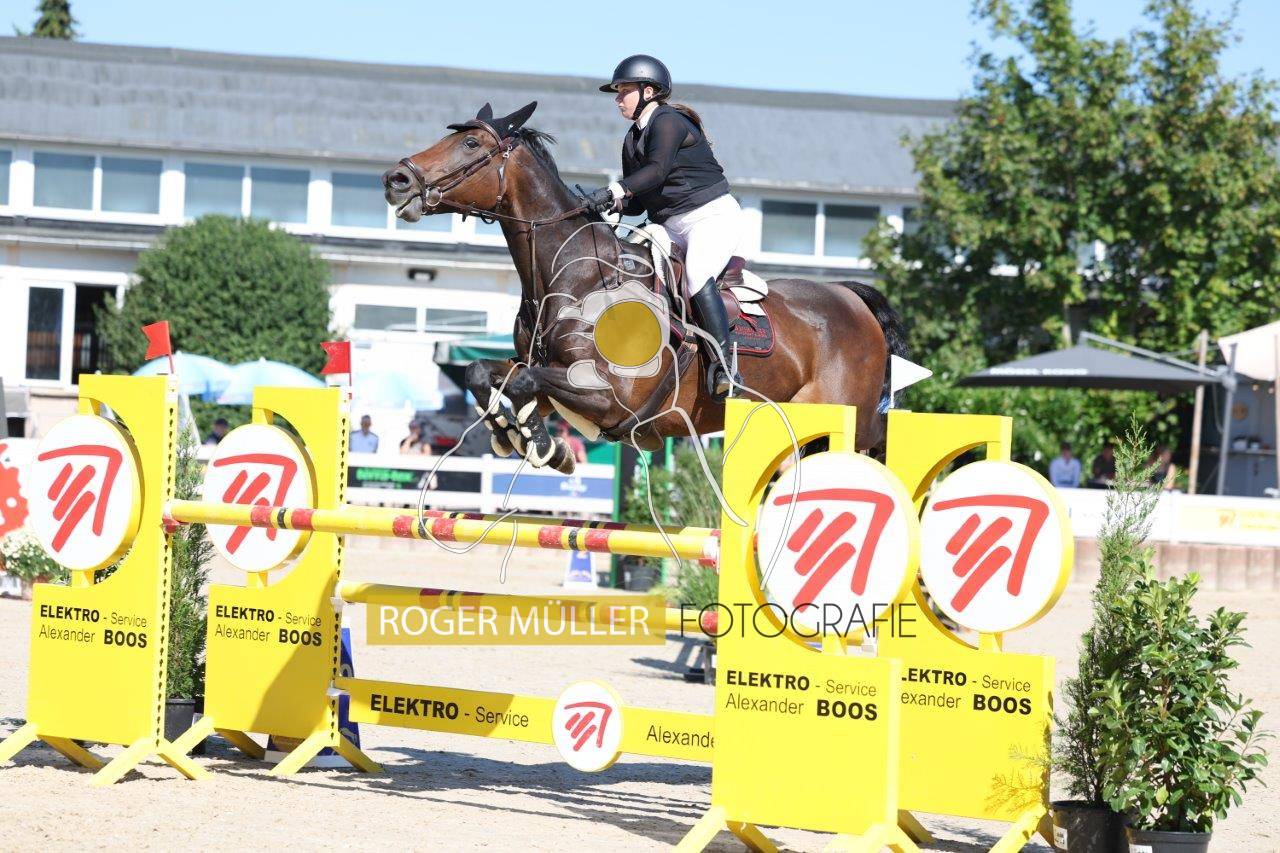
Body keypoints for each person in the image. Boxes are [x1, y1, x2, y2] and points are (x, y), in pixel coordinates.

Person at [584, 54, 742, 400]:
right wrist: (609, 204)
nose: (617, 99)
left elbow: (655, 172)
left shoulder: (668, 121)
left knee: (696, 276)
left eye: (624, 91)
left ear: (649, 91)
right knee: (630, 263)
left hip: (711, 217)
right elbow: (639, 202)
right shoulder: (632, 139)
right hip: (669, 224)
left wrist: (614, 190)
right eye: (617, 92)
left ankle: (725, 367)